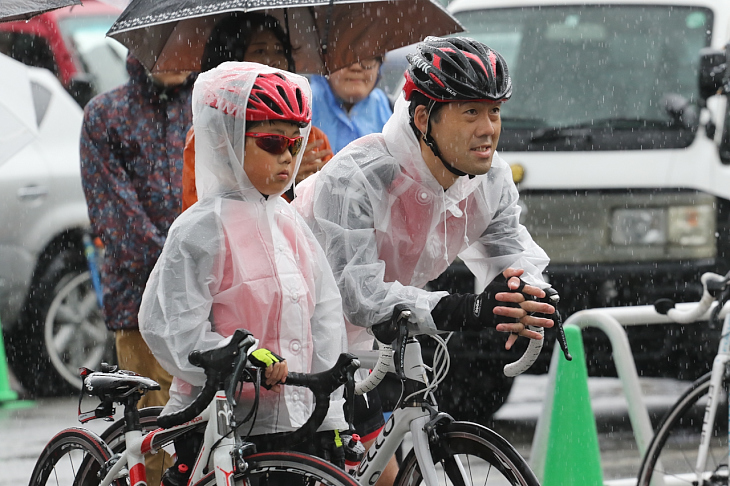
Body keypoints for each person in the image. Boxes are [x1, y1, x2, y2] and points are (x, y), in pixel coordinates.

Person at [294, 36, 557, 486]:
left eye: (494, 112)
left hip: (371, 344)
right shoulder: (357, 175)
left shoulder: (488, 180)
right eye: (470, 112)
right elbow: (361, 296)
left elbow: (512, 254)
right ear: (423, 117)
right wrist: (466, 308)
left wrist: (534, 294)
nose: (488, 128)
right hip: (296, 332)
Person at [138, 62, 349, 486]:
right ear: (227, 139)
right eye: (272, 142)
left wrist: (333, 416)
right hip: (214, 422)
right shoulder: (200, 229)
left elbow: (324, 317)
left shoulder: (291, 224)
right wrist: (239, 358)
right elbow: (170, 328)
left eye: (295, 143)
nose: (288, 157)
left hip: (293, 422)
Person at [79, 55, 194, 486]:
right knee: (156, 441)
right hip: (140, 304)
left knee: (201, 445)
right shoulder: (106, 116)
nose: (174, 57)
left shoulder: (205, 108)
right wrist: (185, 266)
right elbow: (118, 219)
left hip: (207, 302)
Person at [182, 12, 333, 209]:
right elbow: (201, 212)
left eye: (280, 51)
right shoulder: (210, 136)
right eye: (260, 51)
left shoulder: (311, 138)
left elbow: (329, 215)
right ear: (232, 59)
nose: (274, 60)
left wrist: (308, 189)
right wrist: (282, 187)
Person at [310, 57, 393, 154]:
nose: (356, 67)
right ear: (324, 62)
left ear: (379, 65)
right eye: (345, 56)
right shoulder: (299, 107)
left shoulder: (395, 110)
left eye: (367, 57)